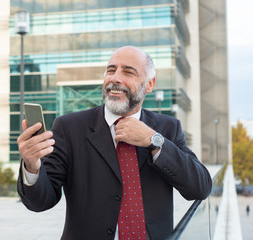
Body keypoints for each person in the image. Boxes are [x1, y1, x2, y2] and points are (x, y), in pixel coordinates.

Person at [17, 46, 212, 240]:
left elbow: (200, 188)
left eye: (128, 71)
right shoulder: (69, 128)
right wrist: (32, 166)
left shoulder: (167, 128)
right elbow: (40, 202)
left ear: (150, 84)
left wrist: (154, 141)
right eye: (111, 70)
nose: (115, 78)